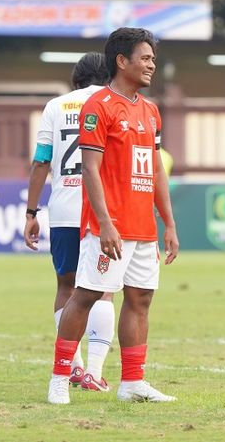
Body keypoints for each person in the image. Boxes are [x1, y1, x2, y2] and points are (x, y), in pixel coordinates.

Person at [47, 28, 179, 405]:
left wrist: (168, 223)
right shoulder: (99, 107)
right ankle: (59, 376)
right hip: (110, 227)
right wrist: (104, 223)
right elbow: (90, 169)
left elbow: (155, 170)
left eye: (153, 58)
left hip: (144, 229)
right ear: (122, 61)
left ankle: (132, 383)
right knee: (86, 294)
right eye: (145, 57)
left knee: (140, 300)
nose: (152, 64)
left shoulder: (151, 111)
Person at [24, 52, 115, 392]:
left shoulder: (56, 106)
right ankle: (94, 370)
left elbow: (40, 163)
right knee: (102, 289)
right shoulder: (112, 102)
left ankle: (72, 366)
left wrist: (32, 213)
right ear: (108, 77)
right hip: (102, 211)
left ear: (75, 81)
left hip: (63, 209)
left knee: (66, 286)